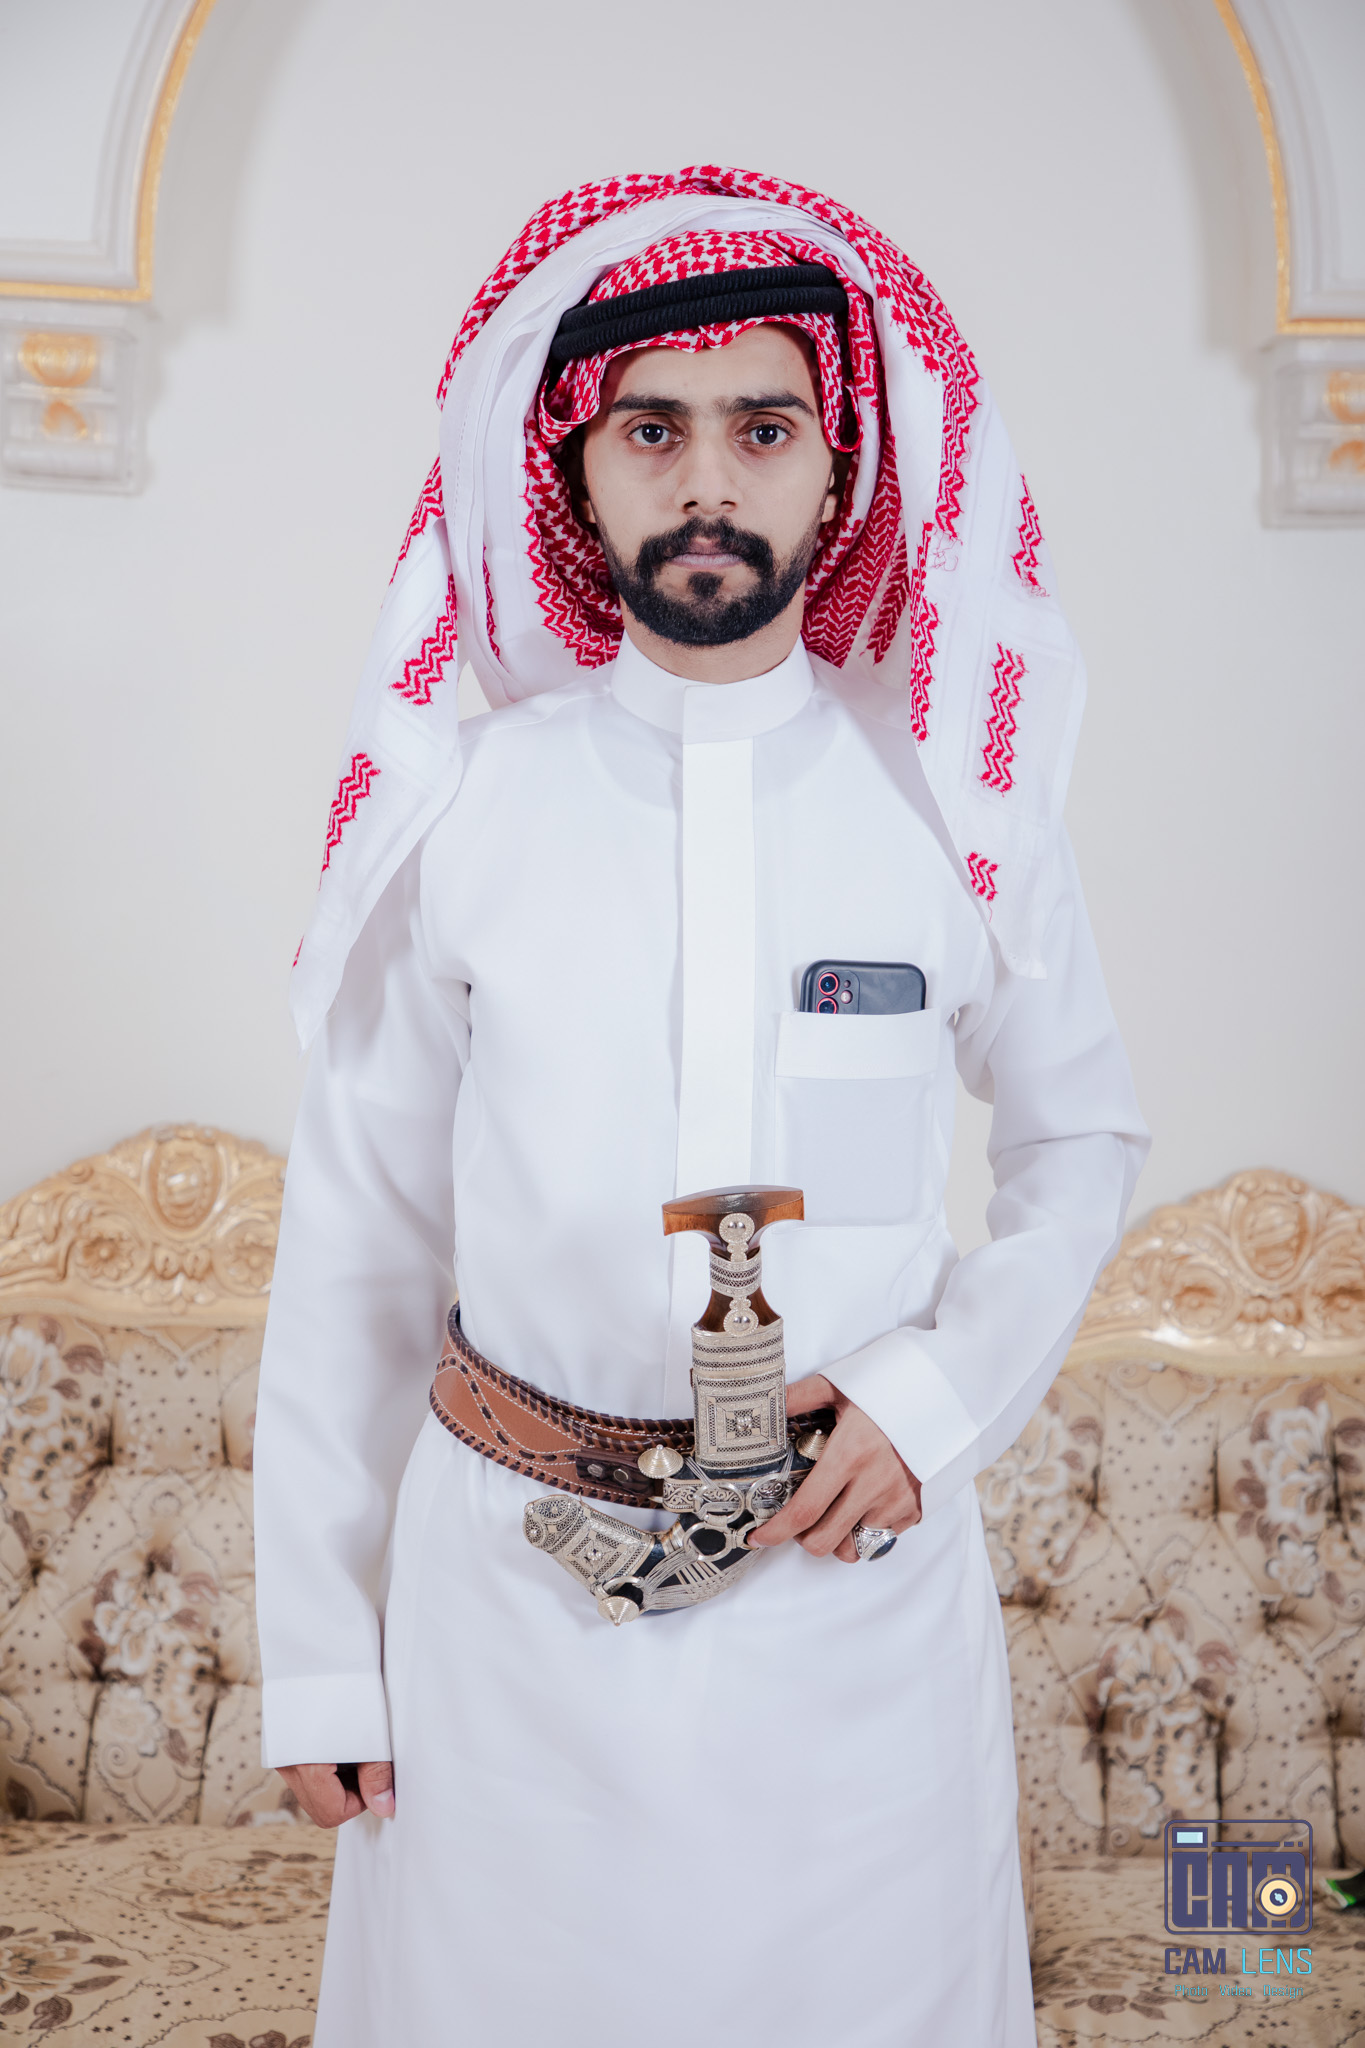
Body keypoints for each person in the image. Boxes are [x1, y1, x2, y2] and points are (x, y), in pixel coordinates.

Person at [253, 167, 1148, 2048]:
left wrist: (933, 1400)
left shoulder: (955, 808)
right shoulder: (463, 809)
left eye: (763, 427)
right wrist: (325, 1652)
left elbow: (1080, 1144)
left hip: (853, 1622)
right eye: (650, 432)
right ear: (575, 479)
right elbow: (356, 1244)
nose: (708, 481)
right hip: (507, 1628)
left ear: (840, 469)